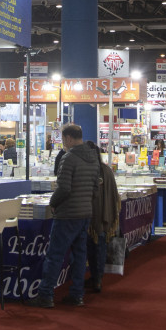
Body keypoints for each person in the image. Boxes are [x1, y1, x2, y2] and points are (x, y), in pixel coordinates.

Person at [35, 124, 100, 308]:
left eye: (63, 140)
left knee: (55, 255)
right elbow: (96, 188)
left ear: (69, 138)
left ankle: (46, 294)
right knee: (80, 255)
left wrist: (53, 203)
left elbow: (63, 188)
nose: (64, 143)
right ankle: (77, 294)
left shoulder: (69, 158)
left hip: (67, 214)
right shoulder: (94, 158)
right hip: (85, 213)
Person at [86, 144, 121, 294]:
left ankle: (96, 278)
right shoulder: (106, 170)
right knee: (100, 246)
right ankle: (97, 278)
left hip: (90, 215)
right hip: (104, 215)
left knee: (91, 247)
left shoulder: (88, 171)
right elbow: (114, 195)